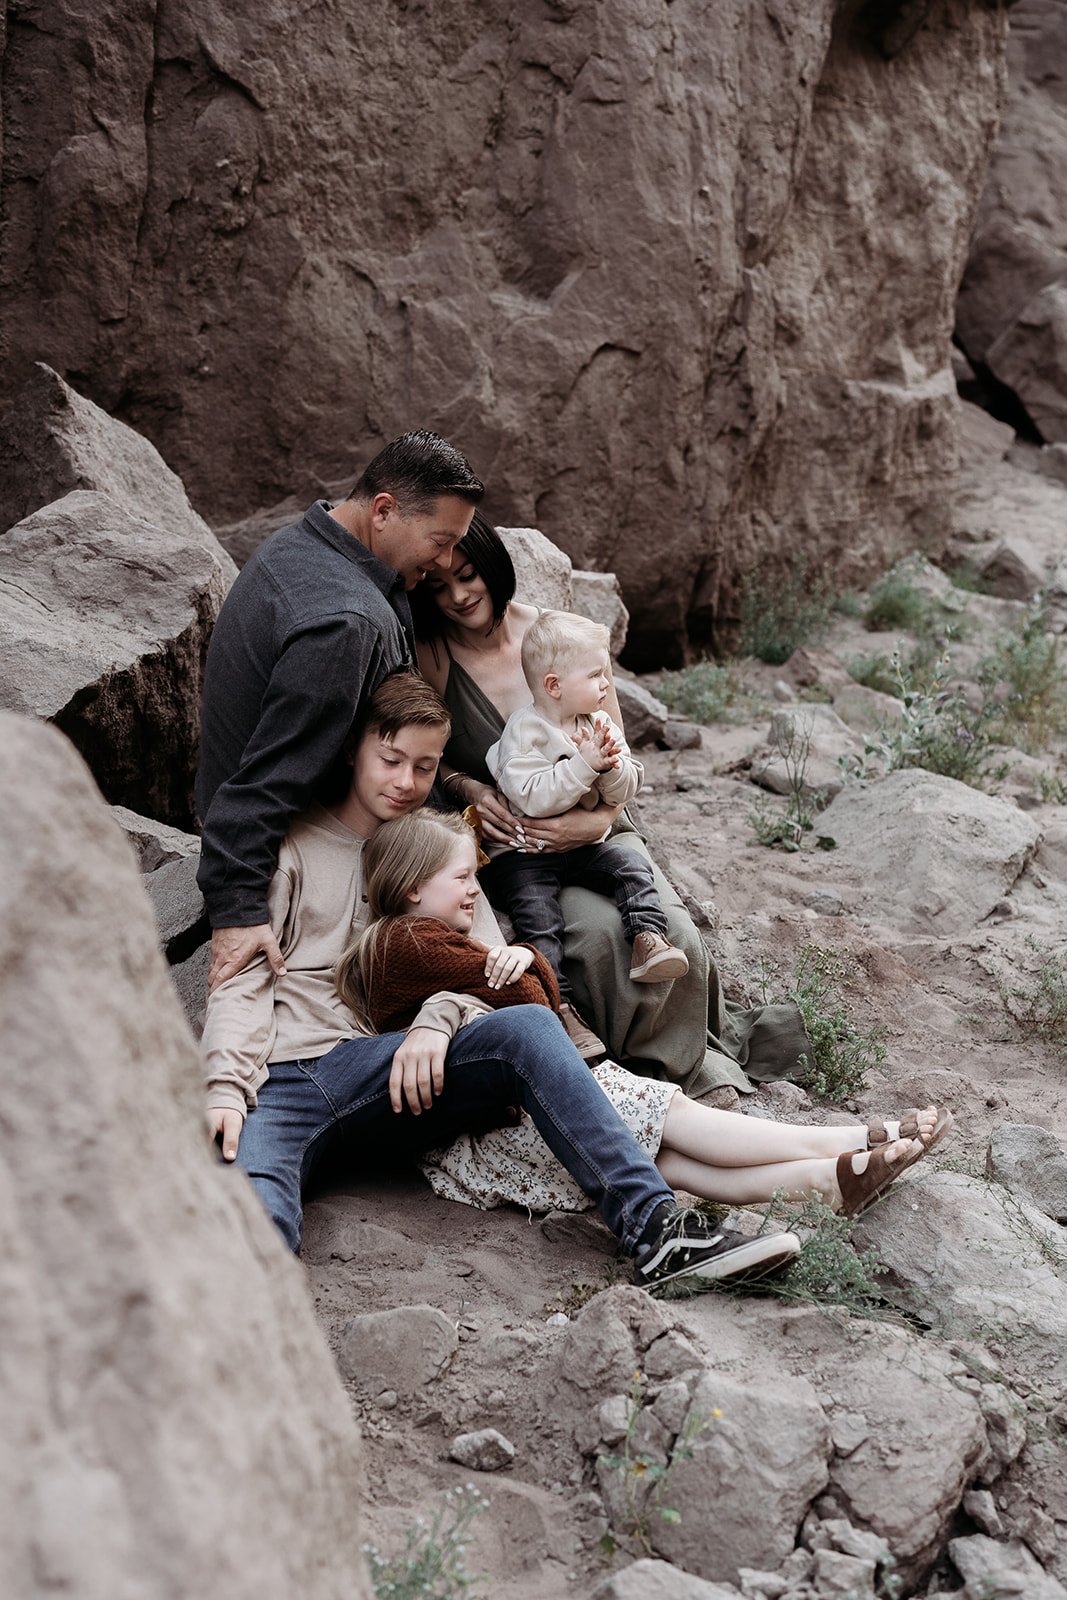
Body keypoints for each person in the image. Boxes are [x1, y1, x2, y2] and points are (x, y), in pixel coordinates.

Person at [202, 673, 807, 1288]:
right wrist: (226, 1085)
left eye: (425, 766)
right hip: (281, 1080)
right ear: (355, 747)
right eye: (390, 760)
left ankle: (657, 1233)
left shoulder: (439, 846)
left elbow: (488, 969)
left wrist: (440, 1017)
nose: (406, 782)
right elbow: (241, 976)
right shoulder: (293, 846)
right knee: (251, 1229)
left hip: (394, 1070)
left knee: (527, 1027)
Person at [335, 807, 950, 1220]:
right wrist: (526, 965)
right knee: (672, 1113)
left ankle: (831, 1183)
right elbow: (538, 1014)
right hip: (516, 1114)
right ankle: (849, 1139)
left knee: (670, 1160)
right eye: (463, 876)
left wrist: (522, 964)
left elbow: (532, 1005)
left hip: (501, 1125)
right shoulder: (410, 942)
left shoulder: (414, 945)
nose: (475, 890)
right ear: (413, 887)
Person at [411, 512, 809, 1100]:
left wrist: (592, 823)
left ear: (493, 567)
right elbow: (421, 751)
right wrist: (466, 788)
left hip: (600, 829)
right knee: (597, 939)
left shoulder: (559, 639)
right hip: (521, 847)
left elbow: (615, 752)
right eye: (439, 586)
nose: (459, 595)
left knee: (675, 932)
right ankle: (625, 1076)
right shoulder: (436, 656)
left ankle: (684, 1072)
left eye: (469, 575)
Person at [196, 428, 484, 995]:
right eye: (441, 540)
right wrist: (238, 911)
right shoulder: (344, 626)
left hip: (354, 796)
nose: (447, 560)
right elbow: (265, 783)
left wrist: (458, 788)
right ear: (383, 510)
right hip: (299, 840)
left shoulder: (313, 539)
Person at [482, 609, 689, 1003]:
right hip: (525, 854)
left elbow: (627, 787)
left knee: (631, 867)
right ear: (554, 685)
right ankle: (556, 1002)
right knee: (539, 921)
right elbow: (531, 796)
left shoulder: (598, 724)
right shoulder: (522, 732)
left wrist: (609, 769)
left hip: (583, 848)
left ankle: (649, 939)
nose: (605, 683)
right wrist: (583, 766)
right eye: (594, 675)